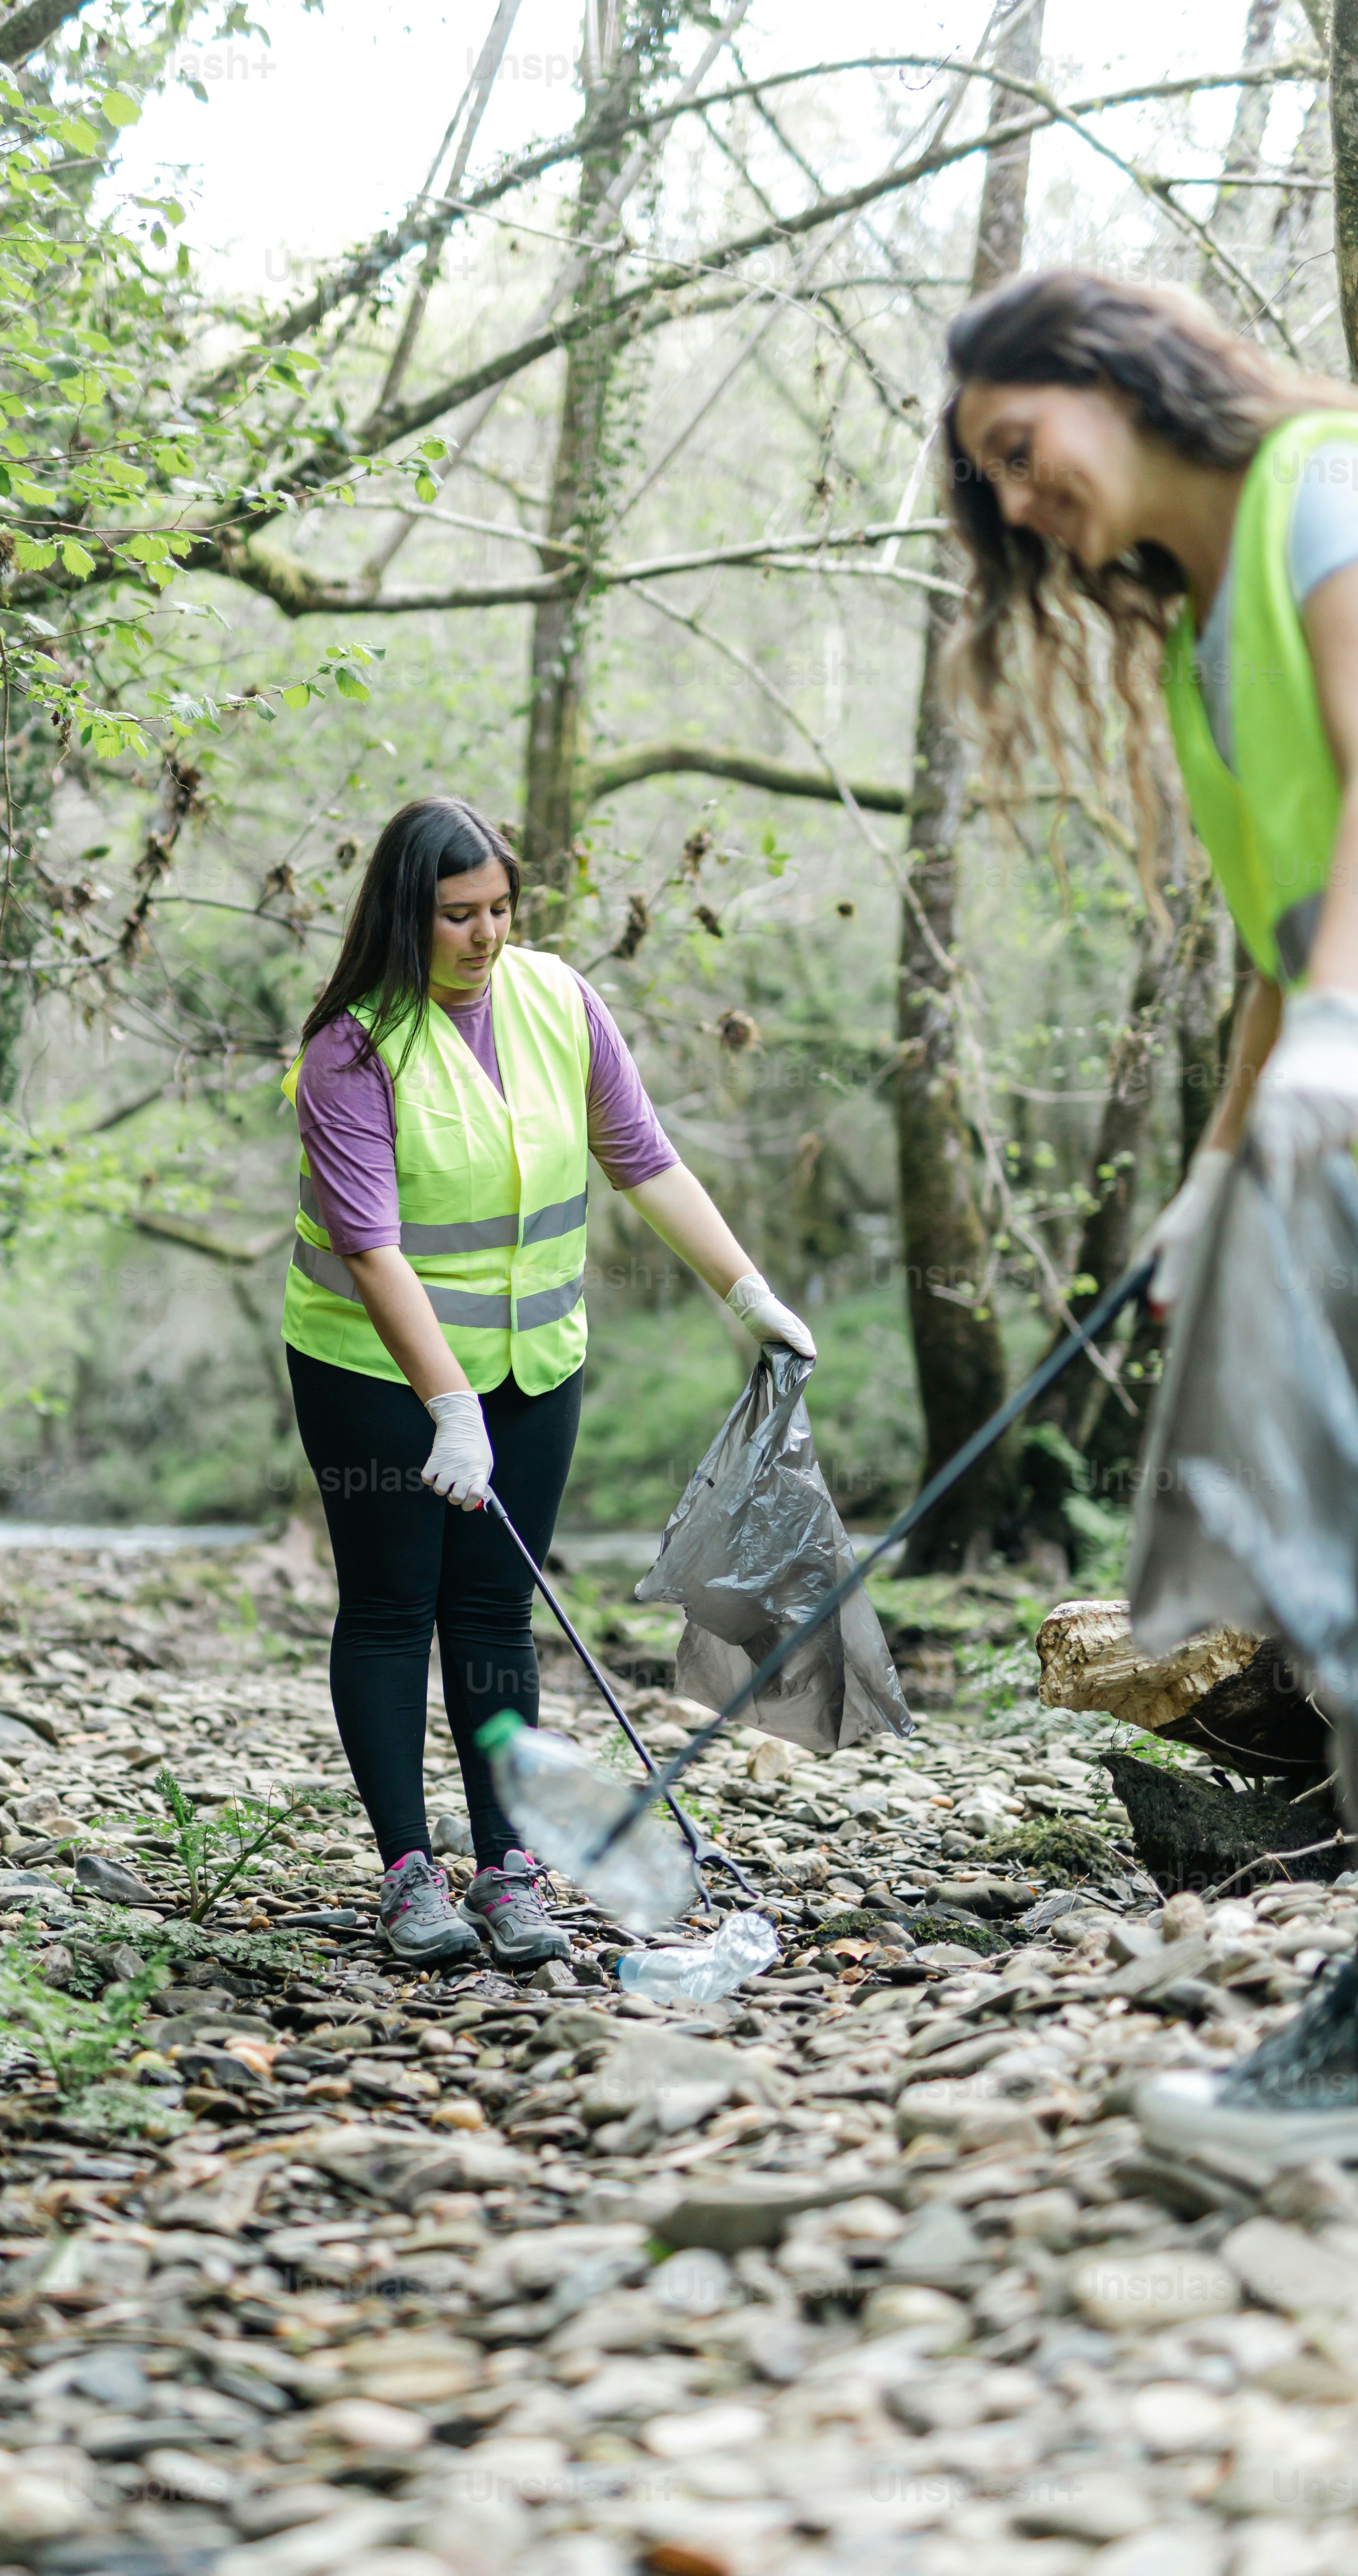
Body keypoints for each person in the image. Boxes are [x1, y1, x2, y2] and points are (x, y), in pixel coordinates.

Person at [946, 269, 1358, 2162]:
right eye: (994, 490)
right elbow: (1277, 938)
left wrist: (1332, 1050)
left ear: (1113, 377)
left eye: (1022, 452)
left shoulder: (1320, 493)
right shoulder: (1198, 622)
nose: (1021, 506)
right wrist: (1210, 1168)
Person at [282, 795, 815, 1969]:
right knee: (392, 1604)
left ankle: (507, 1869)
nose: (485, 937)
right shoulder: (353, 1049)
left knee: (492, 1611)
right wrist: (446, 1407)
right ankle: (407, 1873)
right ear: (404, 920)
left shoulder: (559, 999)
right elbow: (371, 1249)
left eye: (501, 910)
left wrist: (748, 1295)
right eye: (458, 916)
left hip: (534, 1365)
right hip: (373, 1370)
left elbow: (644, 1162)